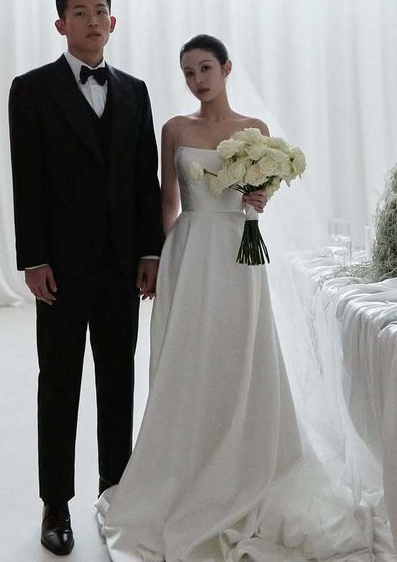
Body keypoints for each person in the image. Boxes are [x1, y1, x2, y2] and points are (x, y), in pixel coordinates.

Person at [95, 35, 396, 561]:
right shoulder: (175, 129)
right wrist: (159, 259)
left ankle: (244, 462)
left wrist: (259, 199)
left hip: (239, 256)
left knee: (242, 353)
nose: (197, 80)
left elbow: (258, 202)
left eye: (205, 68)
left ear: (226, 68)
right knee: (187, 358)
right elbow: (167, 201)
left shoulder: (254, 131)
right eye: (188, 72)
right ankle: (183, 464)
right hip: (190, 252)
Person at [8, 0, 163, 556]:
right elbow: (26, 179)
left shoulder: (135, 91)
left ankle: (114, 491)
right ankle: (56, 502)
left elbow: (146, 179)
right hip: (62, 269)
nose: (92, 20)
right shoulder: (31, 89)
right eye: (79, 12)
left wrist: (150, 252)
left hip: (122, 265)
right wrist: (34, 259)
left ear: (112, 23)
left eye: (100, 11)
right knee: (59, 382)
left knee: (118, 380)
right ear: (61, 25)